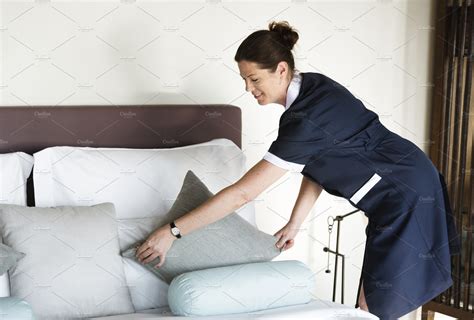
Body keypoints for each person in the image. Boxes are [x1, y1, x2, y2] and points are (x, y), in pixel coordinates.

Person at [135, 21, 460, 320]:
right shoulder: (314, 87)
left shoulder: (303, 121)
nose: (249, 89)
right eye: (244, 80)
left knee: (372, 308)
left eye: (254, 79)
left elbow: (242, 194)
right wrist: (294, 224)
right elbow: (316, 162)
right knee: (370, 304)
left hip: (405, 194)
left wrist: (173, 231)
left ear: (281, 69)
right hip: (407, 179)